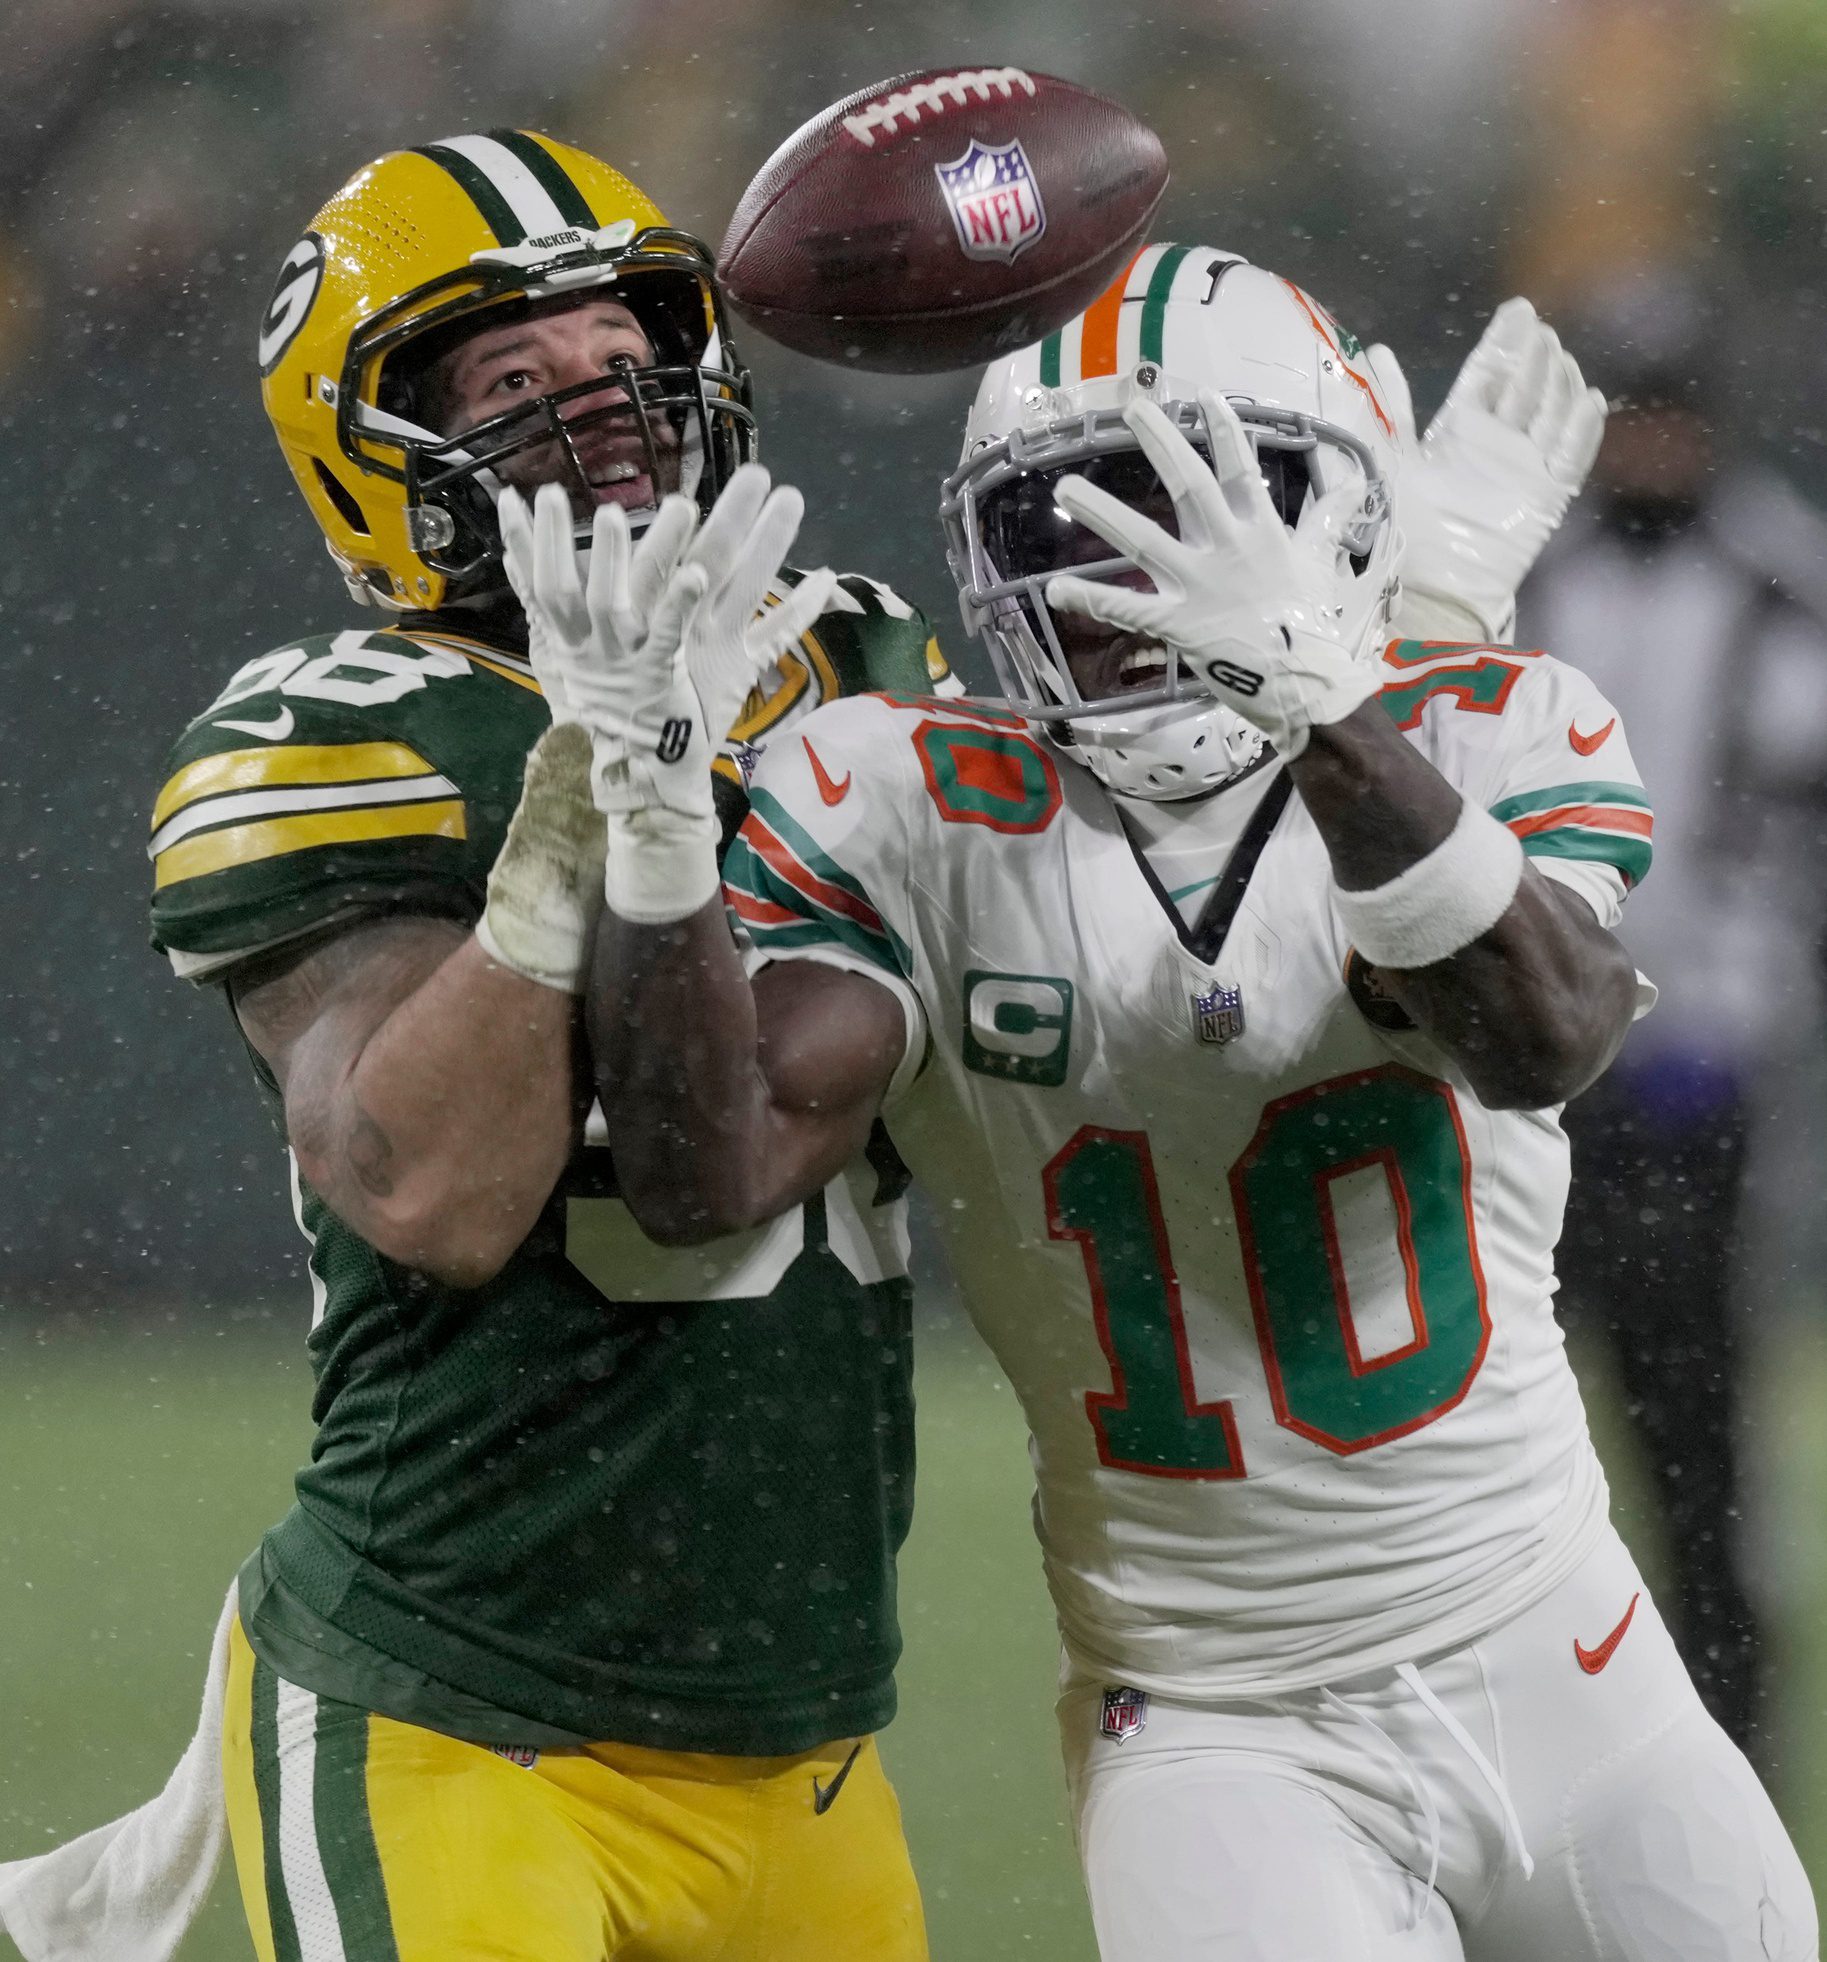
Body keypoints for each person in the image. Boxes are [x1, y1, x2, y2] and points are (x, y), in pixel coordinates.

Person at [525, 244, 1816, 1960]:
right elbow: (708, 1171)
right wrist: (657, 814)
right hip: (1218, 1721)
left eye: (1214, 512)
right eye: (1068, 528)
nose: (1126, 586)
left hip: (1554, 1635)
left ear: (1341, 519)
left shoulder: (1497, 725)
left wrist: (1338, 699)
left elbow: (1536, 1035)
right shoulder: (912, 802)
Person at [140, 131, 948, 1962]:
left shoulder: (853, 664)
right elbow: (427, 1185)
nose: (602, 416)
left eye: (621, 360)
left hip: (800, 1729)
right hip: (457, 1705)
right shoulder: (342, 729)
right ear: (376, 451)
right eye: (514, 382)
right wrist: (594, 780)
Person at [1525, 292, 1827, 1763]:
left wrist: (1749, 1023)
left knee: (1694, 1432)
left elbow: (1798, 846)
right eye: (1626, 419)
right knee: (1514, 1428)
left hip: (1697, 1073)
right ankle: (1560, 1733)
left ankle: (1731, 1732)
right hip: (1535, 1078)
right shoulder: (1537, 577)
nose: (1648, 448)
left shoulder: (1779, 583)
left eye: (1668, 417)